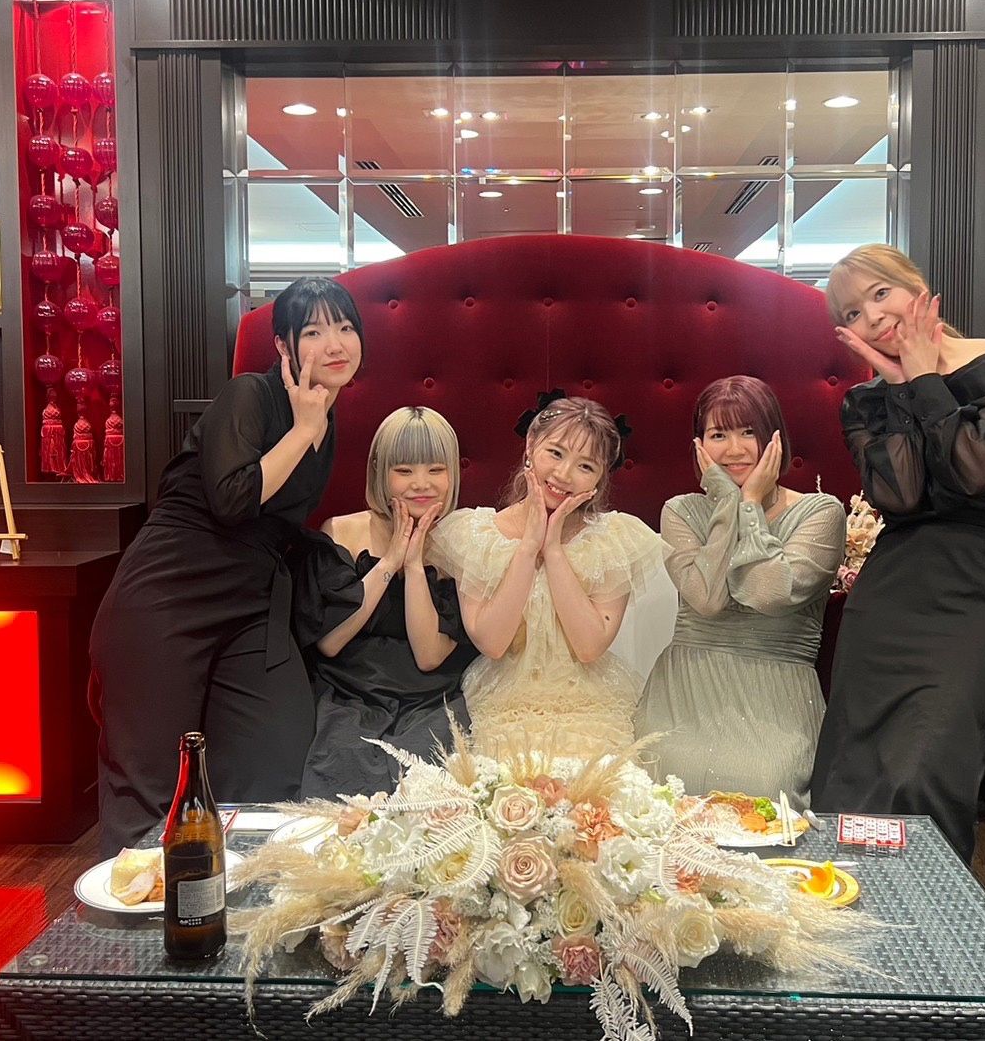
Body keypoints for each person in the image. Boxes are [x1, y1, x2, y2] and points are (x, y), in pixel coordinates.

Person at [89, 277, 362, 856]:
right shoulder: (249, 395)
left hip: (251, 604)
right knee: (150, 784)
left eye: (345, 327)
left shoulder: (326, 413)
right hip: (171, 593)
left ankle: (239, 895)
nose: (336, 343)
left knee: (277, 758)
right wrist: (304, 431)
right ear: (283, 346)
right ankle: (136, 905)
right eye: (314, 331)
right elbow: (234, 500)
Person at [810, 243, 985, 861]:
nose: (873, 317)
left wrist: (923, 378)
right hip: (894, 593)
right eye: (853, 313)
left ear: (914, 285)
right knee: (851, 775)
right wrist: (899, 387)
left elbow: (977, 470)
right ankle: (845, 911)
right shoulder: (866, 404)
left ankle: (928, 914)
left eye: (880, 293)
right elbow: (903, 494)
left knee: (926, 770)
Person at [634, 377, 845, 805]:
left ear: (774, 439)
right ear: (700, 446)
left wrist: (749, 506)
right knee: (660, 780)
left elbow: (769, 594)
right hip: (687, 690)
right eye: (719, 434)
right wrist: (727, 504)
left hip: (775, 697)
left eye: (748, 432)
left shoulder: (822, 512)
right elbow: (708, 600)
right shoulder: (680, 511)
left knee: (764, 786)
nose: (734, 449)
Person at [426, 393, 665, 761]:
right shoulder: (476, 535)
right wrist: (528, 547)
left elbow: (589, 647)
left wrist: (553, 550)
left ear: (600, 478)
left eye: (585, 466)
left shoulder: (615, 539)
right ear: (530, 446)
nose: (564, 474)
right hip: (504, 703)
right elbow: (492, 642)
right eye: (555, 453)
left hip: (589, 705)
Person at [293, 407, 476, 797]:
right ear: (379, 470)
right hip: (347, 693)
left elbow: (429, 656)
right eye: (404, 470)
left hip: (432, 697)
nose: (421, 484)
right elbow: (330, 642)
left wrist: (414, 565)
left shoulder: (461, 545)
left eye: (436, 469)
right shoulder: (342, 531)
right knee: (341, 776)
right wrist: (390, 561)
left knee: (430, 791)